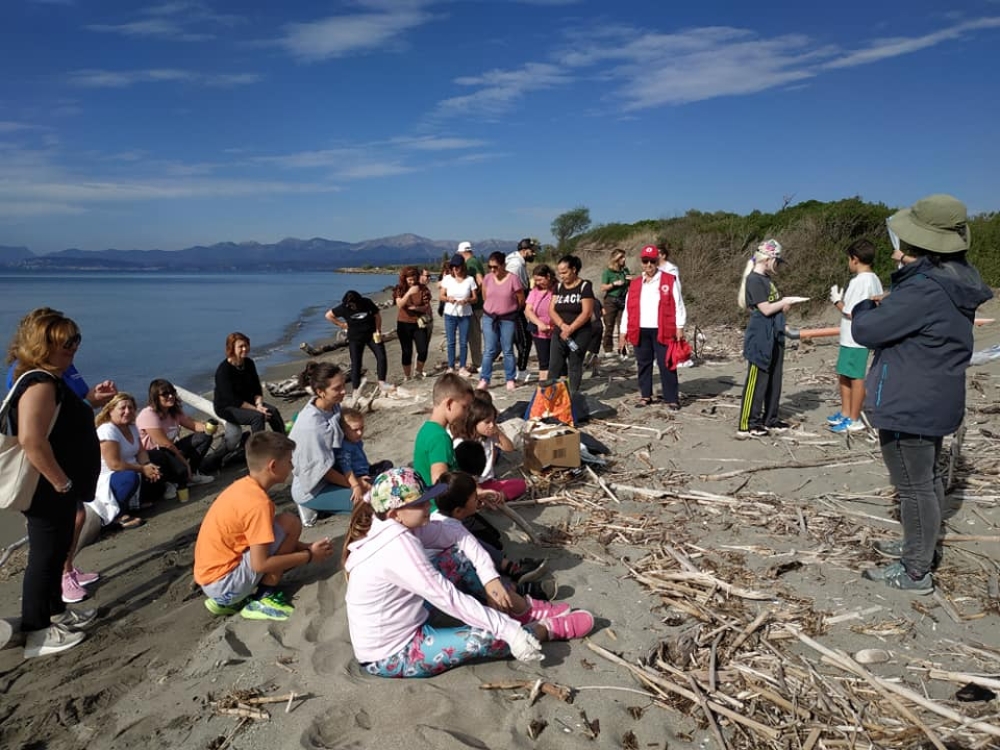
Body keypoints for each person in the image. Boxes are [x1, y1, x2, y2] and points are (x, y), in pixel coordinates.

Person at [853, 194, 992, 593]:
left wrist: (866, 307)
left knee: (914, 486)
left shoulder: (926, 290)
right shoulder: (956, 279)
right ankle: (919, 546)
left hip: (908, 400)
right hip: (936, 396)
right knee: (927, 478)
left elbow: (866, 331)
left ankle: (915, 569)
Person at [342, 467, 593, 678]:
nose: (429, 506)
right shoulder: (395, 544)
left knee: (456, 558)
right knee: (482, 638)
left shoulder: (395, 524)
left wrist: (489, 577)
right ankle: (543, 629)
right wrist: (507, 630)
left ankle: (521, 609)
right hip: (392, 652)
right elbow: (446, 597)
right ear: (396, 513)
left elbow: (453, 530)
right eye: (421, 503)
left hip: (414, 612)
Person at [6, 310, 100, 657]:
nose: (73, 347)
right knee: (44, 558)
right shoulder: (40, 384)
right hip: (47, 489)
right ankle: (37, 632)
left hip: (58, 486)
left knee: (57, 550)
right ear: (42, 345)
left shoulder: (52, 379)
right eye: (65, 342)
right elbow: (32, 440)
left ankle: (56, 612)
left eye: (76, 339)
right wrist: (61, 483)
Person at [194, 432, 335, 621]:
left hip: (211, 579)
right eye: (289, 462)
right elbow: (259, 564)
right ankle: (264, 596)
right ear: (273, 466)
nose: (292, 467)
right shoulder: (258, 504)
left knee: (284, 525)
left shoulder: (242, 487)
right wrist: (309, 556)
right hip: (224, 584)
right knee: (290, 523)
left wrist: (307, 547)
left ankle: (226, 600)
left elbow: (263, 539)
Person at [736, 240, 794, 438]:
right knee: (757, 380)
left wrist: (783, 307)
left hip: (774, 334)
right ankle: (748, 423)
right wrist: (785, 301)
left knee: (773, 378)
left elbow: (773, 306)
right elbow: (766, 308)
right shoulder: (755, 279)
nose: (777, 265)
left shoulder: (767, 279)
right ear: (769, 258)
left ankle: (770, 418)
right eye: (776, 261)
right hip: (760, 336)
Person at [288, 361, 357, 526]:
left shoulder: (332, 406)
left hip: (332, 470)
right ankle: (310, 506)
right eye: (336, 389)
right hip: (313, 488)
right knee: (369, 502)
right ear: (320, 392)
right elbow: (323, 470)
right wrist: (355, 484)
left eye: (343, 385)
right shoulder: (312, 426)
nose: (343, 392)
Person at [827, 240, 884, 433]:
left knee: (855, 377)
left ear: (855, 259)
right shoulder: (874, 279)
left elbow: (852, 312)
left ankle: (854, 418)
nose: (848, 263)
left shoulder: (860, 281)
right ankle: (845, 412)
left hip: (855, 338)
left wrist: (836, 301)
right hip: (851, 337)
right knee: (844, 374)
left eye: (848, 259)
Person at [620, 245, 685, 409]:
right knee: (643, 363)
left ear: (657, 261)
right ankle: (645, 395)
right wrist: (623, 332)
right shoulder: (635, 284)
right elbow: (628, 309)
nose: (648, 265)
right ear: (641, 262)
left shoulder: (669, 279)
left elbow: (678, 304)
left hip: (662, 327)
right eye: (645, 261)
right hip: (640, 328)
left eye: (652, 261)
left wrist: (680, 326)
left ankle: (671, 398)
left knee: (667, 364)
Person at [137, 379, 215, 500]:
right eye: (165, 394)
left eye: (172, 392)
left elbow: (193, 425)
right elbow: (165, 444)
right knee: (165, 456)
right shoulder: (148, 414)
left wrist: (209, 428)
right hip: (153, 457)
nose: (170, 396)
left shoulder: (173, 411)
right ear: (155, 397)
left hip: (171, 451)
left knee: (204, 437)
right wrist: (185, 463)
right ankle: (168, 483)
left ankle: (192, 475)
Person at [452, 392, 527, 502]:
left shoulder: (489, 437)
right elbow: (461, 473)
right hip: (469, 485)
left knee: (521, 485)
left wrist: (498, 432)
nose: (491, 425)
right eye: (487, 422)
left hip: (488, 483)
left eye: (493, 421)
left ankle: (496, 497)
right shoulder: (462, 442)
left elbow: (509, 448)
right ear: (474, 422)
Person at [213, 332, 285, 435]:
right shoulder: (223, 371)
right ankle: (258, 448)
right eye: (240, 347)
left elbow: (257, 387)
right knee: (257, 417)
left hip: (247, 401)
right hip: (227, 407)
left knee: (272, 411)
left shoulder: (249, 363)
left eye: (246, 345)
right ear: (232, 348)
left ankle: (283, 439)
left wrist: (259, 405)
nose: (244, 349)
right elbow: (232, 399)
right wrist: (256, 410)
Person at [413, 372, 474, 486]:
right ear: (449, 404)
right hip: (438, 503)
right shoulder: (440, 438)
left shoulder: (426, 429)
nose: (466, 413)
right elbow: (439, 482)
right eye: (464, 407)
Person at [327, 290, 392, 395]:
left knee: (381, 357)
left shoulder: (367, 302)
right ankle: (356, 389)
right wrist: (341, 325)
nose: (352, 306)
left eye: (354, 304)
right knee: (356, 363)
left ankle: (382, 383)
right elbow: (329, 315)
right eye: (350, 305)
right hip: (355, 338)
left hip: (371, 335)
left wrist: (378, 330)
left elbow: (377, 316)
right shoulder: (344, 307)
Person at [478, 251, 525, 392]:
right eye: (490, 267)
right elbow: (485, 295)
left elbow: (520, 298)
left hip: (508, 318)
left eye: (495, 267)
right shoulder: (487, 278)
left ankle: (510, 378)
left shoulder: (513, 279)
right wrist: (493, 308)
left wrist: (512, 309)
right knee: (489, 349)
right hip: (489, 317)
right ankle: (484, 379)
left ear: (503, 265)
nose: (493, 270)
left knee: (508, 349)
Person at [547, 254, 595, 394]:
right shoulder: (558, 287)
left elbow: (587, 312)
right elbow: (551, 309)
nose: (562, 275)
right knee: (554, 365)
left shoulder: (584, 286)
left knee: (574, 364)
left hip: (580, 332)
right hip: (560, 332)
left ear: (573, 269)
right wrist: (562, 326)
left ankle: (573, 396)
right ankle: (549, 396)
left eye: (564, 272)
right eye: (559, 272)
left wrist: (571, 328)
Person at [335, 406, 393, 493]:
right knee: (378, 482)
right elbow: (346, 468)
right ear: (344, 431)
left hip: (366, 470)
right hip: (358, 476)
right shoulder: (344, 448)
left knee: (387, 464)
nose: (359, 433)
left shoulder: (356, 441)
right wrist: (356, 483)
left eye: (361, 428)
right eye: (355, 430)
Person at [440, 254, 478, 375]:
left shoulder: (470, 280)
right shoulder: (447, 279)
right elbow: (441, 296)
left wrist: (467, 301)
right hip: (450, 313)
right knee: (451, 341)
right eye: (453, 267)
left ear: (462, 266)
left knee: (463, 342)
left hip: (465, 314)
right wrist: (448, 298)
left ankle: (462, 367)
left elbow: (475, 298)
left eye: (457, 266)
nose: (455, 269)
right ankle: (451, 367)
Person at [505, 238, 537, 381]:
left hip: (514, 307)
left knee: (510, 340)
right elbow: (510, 287)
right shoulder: (515, 265)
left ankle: (519, 369)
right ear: (524, 251)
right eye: (532, 250)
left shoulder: (516, 262)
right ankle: (521, 370)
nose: (534, 254)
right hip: (514, 307)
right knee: (525, 340)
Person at [393, 266, 432, 381]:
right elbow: (399, 304)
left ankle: (418, 372)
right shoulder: (399, 289)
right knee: (406, 351)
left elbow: (426, 306)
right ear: (404, 279)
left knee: (423, 349)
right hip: (403, 323)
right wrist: (409, 293)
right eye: (409, 279)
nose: (412, 281)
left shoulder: (423, 289)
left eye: (414, 279)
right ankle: (407, 376)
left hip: (419, 323)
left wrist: (416, 308)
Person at [524, 264, 556, 382]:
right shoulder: (535, 291)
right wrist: (539, 324)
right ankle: (544, 385)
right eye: (535, 280)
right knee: (543, 361)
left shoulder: (557, 289)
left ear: (548, 277)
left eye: (540, 279)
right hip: (539, 331)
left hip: (555, 329)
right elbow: (528, 310)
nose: (538, 282)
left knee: (557, 360)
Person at [458, 241, 486, 374]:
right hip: (477, 304)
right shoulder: (475, 261)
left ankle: (477, 362)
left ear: (462, 252)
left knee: (473, 334)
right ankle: (476, 361)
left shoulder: (471, 263)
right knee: (473, 334)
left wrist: (475, 295)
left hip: (475, 305)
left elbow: (480, 281)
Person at [599, 249, 631, 355]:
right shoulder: (608, 272)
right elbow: (603, 288)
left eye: (624, 257)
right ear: (616, 259)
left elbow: (630, 283)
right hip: (611, 301)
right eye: (621, 257)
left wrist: (632, 280)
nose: (624, 259)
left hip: (623, 299)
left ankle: (623, 348)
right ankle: (608, 348)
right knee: (609, 325)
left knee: (623, 325)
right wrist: (613, 284)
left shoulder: (625, 270)